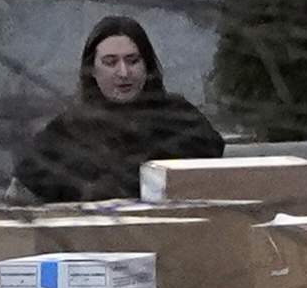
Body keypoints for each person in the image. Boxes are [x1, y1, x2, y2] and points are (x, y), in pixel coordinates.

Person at [12, 14, 226, 203]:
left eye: (133, 61)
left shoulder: (180, 119)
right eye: (110, 62)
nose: (124, 73)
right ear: (92, 70)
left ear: (147, 66)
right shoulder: (67, 132)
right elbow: (22, 193)